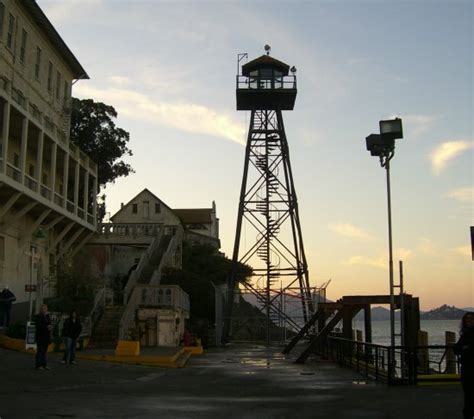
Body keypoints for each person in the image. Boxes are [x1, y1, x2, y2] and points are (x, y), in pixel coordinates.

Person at [454, 312, 474, 419]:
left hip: (470, 366)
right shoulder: (465, 334)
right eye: (467, 319)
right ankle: (468, 414)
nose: (469, 321)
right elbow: (456, 348)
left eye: (471, 319)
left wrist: (464, 348)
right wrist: (463, 348)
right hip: (466, 367)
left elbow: (460, 348)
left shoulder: (467, 335)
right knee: (468, 393)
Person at [34, 304, 52, 370]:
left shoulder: (47, 317)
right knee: (40, 351)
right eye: (43, 309)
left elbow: (49, 324)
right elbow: (38, 326)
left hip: (46, 337)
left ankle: (44, 364)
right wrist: (46, 327)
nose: (45, 310)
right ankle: (38, 365)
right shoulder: (38, 317)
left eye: (46, 309)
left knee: (44, 352)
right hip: (40, 337)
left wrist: (50, 327)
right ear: (41, 310)